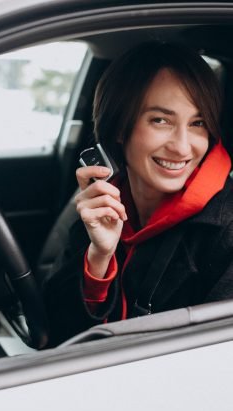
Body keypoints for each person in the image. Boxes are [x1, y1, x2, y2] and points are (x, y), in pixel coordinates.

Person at [43, 40, 233, 346]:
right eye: (161, 120)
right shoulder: (105, 199)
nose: (183, 147)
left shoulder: (226, 229)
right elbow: (55, 335)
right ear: (120, 127)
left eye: (198, 123)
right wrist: (99, 258)